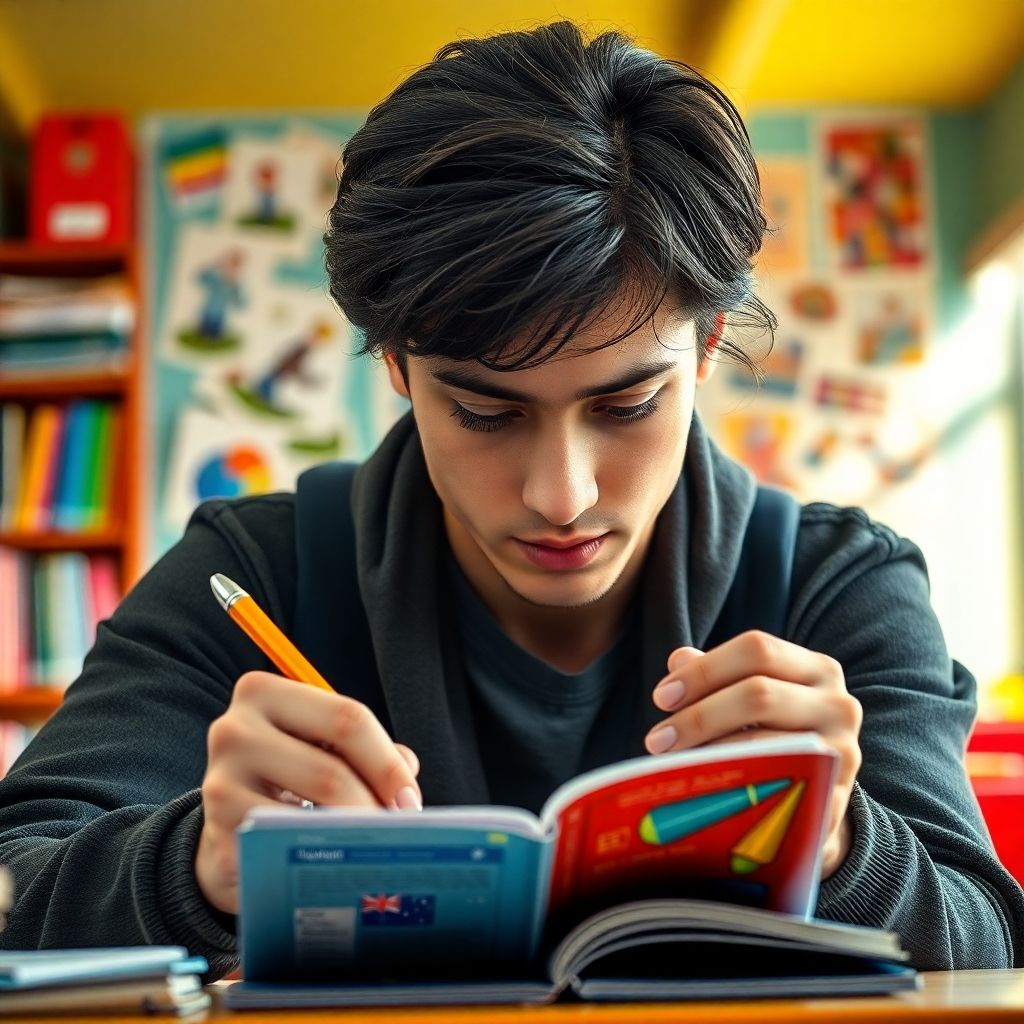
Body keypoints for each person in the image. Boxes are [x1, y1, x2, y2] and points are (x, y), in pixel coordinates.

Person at [0, 22, 1021, 981]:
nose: (561, 494)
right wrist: (187, 865)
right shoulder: (260, 572)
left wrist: (844, 841)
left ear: (707, 347)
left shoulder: (834, 582)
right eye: (485, 411)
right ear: (398, 367)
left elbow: (988, 952)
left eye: (626, 403)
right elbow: (13, 877)